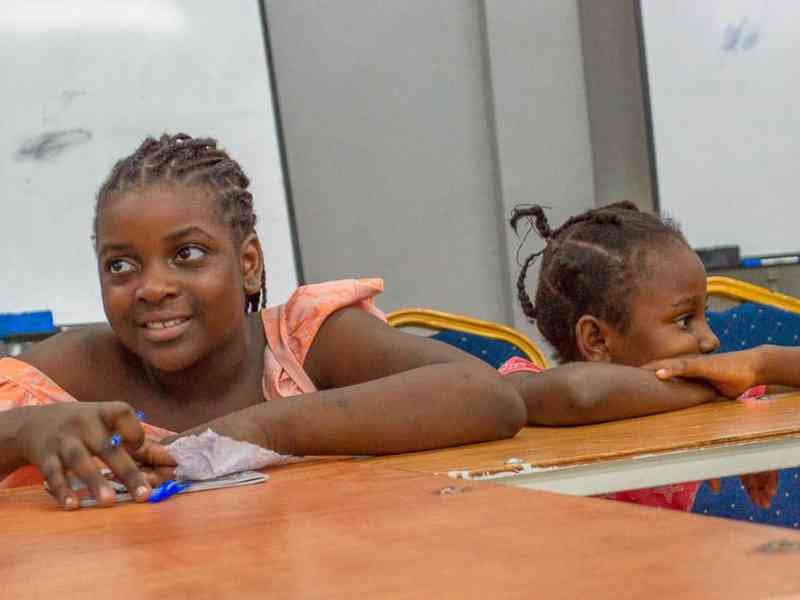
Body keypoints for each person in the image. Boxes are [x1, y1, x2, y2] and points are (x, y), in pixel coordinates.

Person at [0, 133, 526, 510]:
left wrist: (251, 431)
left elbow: (486, 396)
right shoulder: (66, 376)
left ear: (247, 264)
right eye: (121, 265)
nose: (152, 287)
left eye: (187, 253)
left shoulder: (304, 340)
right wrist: (24, 431)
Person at [502, 201, 779, 510]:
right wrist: (721, 388)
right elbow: (579, 393)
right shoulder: (531, 387)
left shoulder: (705, 393)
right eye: (684, 320)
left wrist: (760, 364)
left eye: (705, 315)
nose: (711, 339)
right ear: (596, 340)